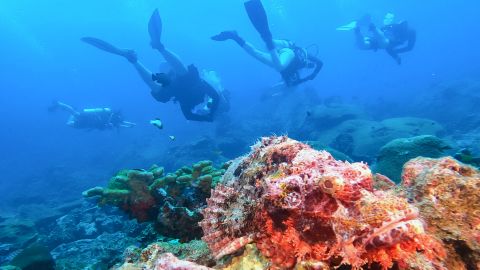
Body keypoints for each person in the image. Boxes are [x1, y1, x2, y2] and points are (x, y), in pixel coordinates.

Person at [82, 9, 225, 122]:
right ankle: (155, 49)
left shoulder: (187, 100)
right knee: (184, 77)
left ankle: (135, 58)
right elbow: (213, 98)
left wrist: (208, 116)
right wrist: (209, 116)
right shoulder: (198, 91)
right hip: (180, 85)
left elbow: (205, 103)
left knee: (165, 89)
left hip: (176, 88)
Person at [212, 0, 322, 88]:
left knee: (257, 54)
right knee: (276, 59)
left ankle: (235, 37)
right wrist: (313, 74)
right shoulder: (304, 54)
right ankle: (267, 37)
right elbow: (320, 63)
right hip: (288, 51)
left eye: (308, 66)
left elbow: (290, 84)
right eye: (308, 64)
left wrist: (305, 78)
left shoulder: (290, 75)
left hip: (278, 56)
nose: (308, 65)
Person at [351, 13, 416, 64]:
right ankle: (371, 26)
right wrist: (396, 54)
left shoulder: (409, 32)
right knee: (384, 44)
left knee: (362, 46)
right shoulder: (410, 32)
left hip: (379, 41)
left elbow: (408, 48)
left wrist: (396, 56)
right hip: (383, 40)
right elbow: (409, 48)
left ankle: (356, 30)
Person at [49, 101, 136, 130]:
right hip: (90, 119)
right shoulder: (112, 117)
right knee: (74, 114)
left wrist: (130, 125)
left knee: (71, 120)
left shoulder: (115, 120)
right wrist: (130, 125)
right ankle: (59, 103)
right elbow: (121, 123)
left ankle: (62, 105)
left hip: (89, 123)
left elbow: (122, 123)